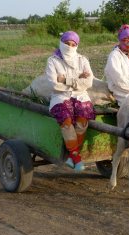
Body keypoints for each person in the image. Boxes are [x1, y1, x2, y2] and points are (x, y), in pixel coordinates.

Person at [45, 31, 95, 171]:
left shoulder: (82, 60)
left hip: (80, 95)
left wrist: (66, 79)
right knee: (66, 121)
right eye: (67, 43)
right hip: (60, 96)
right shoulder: (53, 60)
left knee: (83, 121)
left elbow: (89, 82)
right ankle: (76, 158)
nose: (70, 46)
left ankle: (71, 156)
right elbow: (53, 84)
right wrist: (78, 79)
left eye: (73, 44)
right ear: (61, 43)